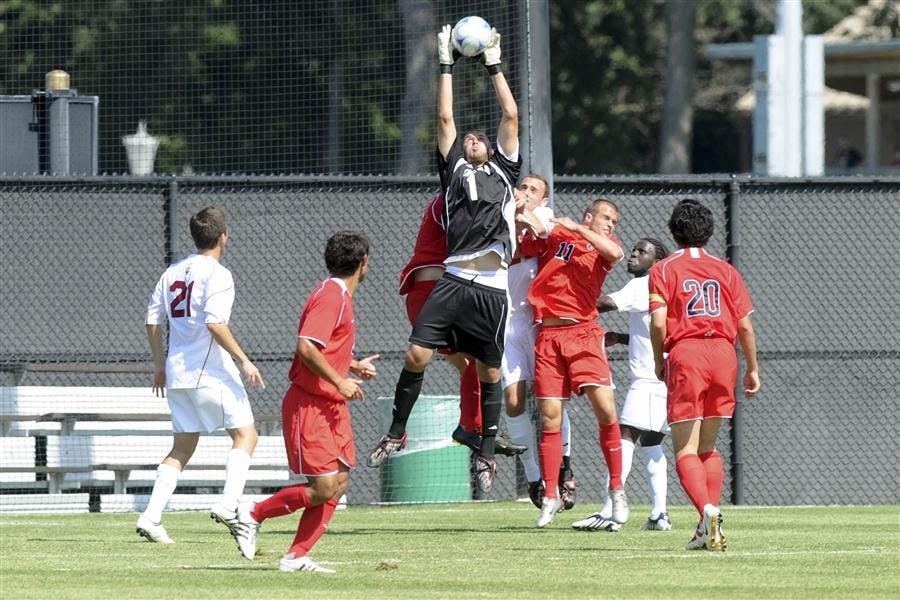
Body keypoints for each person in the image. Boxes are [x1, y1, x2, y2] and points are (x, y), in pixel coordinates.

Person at [366, 23, 521, 495]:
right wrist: (446, 64)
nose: (472, 138)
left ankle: (486, 454)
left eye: (480, 137)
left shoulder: (505, 172)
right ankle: (396, 430)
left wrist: (494, 65)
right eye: (468, 138)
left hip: (492, 285)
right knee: (417, 353)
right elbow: (445, 118)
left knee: (490, 371)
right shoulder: (453, 172)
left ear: (493, 149)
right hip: (454, 277)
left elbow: (511, 115)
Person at [231, 231, 377, 573]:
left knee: (339, 483)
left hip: (331, 406)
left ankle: (295, 557)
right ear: (364, 262)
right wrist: (341, 380)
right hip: (310, 404)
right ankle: (252, 513)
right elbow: (306, 347)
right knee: (323, 487)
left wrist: (352, 365)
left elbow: (324, 346)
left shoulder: (340, 296)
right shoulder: (332, 295)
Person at [138, 205, 266, 544]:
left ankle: (151, 517)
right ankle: (227, 505)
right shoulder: (219, 274)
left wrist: (159, 364)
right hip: (208, 372)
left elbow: (152, 321)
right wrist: (244, 360)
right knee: (246, 436)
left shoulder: (172, 272)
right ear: (224, 237)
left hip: (177, 374)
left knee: (182, 447)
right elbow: (214, 323)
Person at [648, 198, 760, 552]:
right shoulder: (726, 270)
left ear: (674, 231)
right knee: (709, 447)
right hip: (725, 356)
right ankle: (705, 527)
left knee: (685, 449)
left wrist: (658, 358)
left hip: (688, 353)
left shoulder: (664, 269)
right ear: (709, 231)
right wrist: (753, 369)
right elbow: (744, 326)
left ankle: (707, 510)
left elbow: (657, 321)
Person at [519, 198, 627, 528]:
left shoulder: (601, 245)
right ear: (589, 214)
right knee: (550, 418)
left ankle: (616, 489)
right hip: (549, 336)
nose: (611, 223)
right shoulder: (559, 235)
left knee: (606, 409)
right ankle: (550, 494)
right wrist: (523, 206)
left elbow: (616, 254)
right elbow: (534, 228)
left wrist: (577, 227)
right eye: (606, 217)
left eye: (614, 221)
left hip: (583, 333)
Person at [399, 191, 525, 458]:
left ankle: (471, 427)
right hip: (435, 291)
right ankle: (464, 427)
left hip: (441, 291)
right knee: (461, 359)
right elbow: (474, 236)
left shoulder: (469, 196)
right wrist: (511, 210)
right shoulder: (451, 198)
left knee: (472, 362)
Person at [572, 238, 672, 533]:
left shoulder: (643, 284)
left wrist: (565, 300)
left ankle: (609, 511)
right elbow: (658, 330)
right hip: (666, 378)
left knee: (622, 437)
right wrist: (623, 337)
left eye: (643, 252)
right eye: (634, 250)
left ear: (657, 260)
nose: (634, 255)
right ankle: (659, 515)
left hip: (649, 380)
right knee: (653, 443)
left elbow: (602, 304)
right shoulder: (664, 285)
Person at [500, 174, 576, 509]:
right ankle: (533, 476)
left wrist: (520, 213)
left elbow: (539, 237)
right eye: (523, 188)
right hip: (507, 326)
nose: (527, 193)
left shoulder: (543, 217)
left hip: (538, 325)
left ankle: (564, 469)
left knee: (551, 403)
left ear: (544, 200)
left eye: (534, 190)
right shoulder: (502, 214)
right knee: (514, 401)